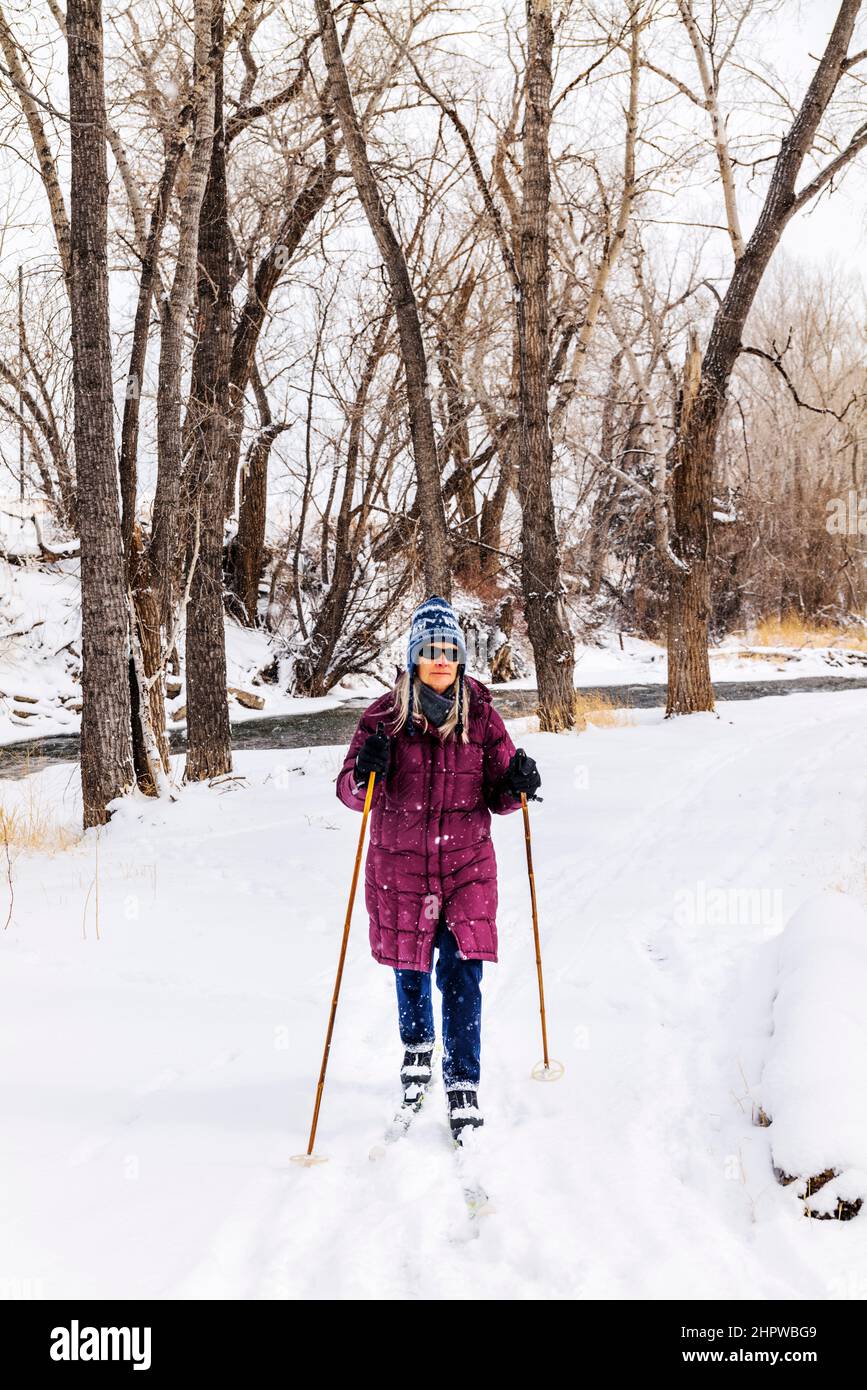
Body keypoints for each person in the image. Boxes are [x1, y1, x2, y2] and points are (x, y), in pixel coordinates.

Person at [335, 595, 542, 1143]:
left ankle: (463, 1082)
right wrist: (364, 772)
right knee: (411, 967)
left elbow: (501, 794)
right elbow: (350, 794)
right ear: (414, 658)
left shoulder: (482, 718)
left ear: (462, 657)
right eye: (431, 650)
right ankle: (418, 1048)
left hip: (466, 866)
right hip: (401, 868)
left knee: (463, 972)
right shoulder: (384, 717)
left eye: (450, 650)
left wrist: (520, 785)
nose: (442, 659)